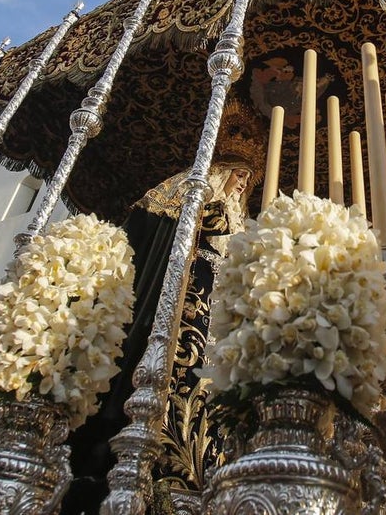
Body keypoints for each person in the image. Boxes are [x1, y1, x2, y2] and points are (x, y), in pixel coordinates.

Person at [66, 128, 263, 514]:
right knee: (174, 365)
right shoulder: (189, 189)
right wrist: (203, 214)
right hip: (181, 292)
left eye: (247, 181)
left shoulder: (239, 216)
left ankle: (207, 464)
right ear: (221, 170)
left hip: (217, 306)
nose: (243, 185)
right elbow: (160, 231)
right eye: (238, 175)